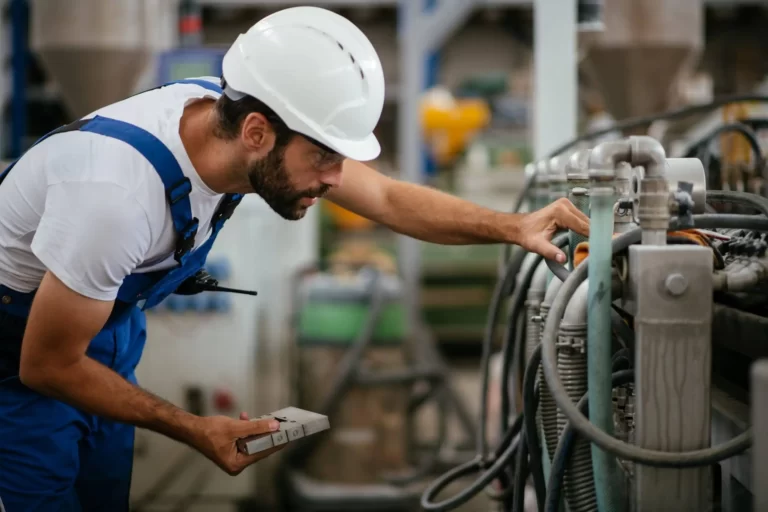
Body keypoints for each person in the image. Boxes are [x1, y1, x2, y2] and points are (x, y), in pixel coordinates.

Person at [0, 6, 588, 512]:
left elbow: (383, 196)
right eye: (324, 158)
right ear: (257, 132)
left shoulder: (230, 121)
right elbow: (46, 366)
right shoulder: (117, 198)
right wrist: (196, 429)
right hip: (26, 360)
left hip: (101, 332)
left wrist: (514, 226)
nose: (336, 180)